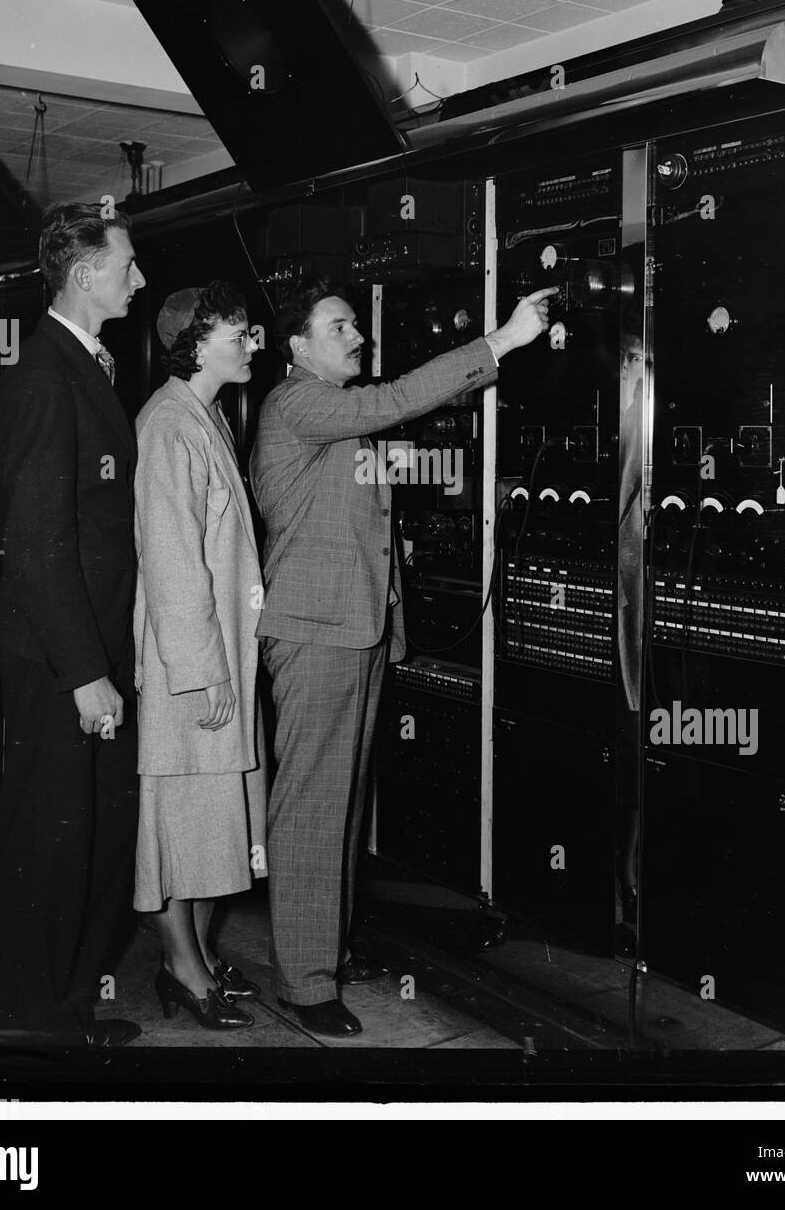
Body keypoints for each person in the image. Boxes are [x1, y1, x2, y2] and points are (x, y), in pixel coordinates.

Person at [250, 276, 556, 1037]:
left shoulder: (331, 418)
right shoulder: (298, 402)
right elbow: (390, 403)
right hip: (316, 630)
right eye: (341, 327)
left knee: (343, 804)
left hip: (350, 626)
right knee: (315, 807)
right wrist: (501, 342)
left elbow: (377, 488)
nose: (359, 336)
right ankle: (306, 980)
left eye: (356, 325)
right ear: (297, 347)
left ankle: (323, 949)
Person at [0, 203, 146, 1049]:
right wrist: (85, 673)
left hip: (94, 647)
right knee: (46, 847)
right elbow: (41, 544)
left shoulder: (84, 366)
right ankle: (30, 1032)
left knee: (97, 838)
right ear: (83, 275)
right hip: (59, 659)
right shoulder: (44, 376)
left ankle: (70, 1010)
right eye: (127, 265)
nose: (139, 278)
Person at [132, 283, 267, 1031]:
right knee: (185, 821)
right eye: (240, 334)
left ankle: (201, 960)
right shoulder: (168, 426)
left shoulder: (203, 416)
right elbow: (173, 560)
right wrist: (204, 670)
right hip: (197, 669)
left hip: (223, 660)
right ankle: (183, 971)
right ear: (195, 342)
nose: (253, 344)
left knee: (215, 819)